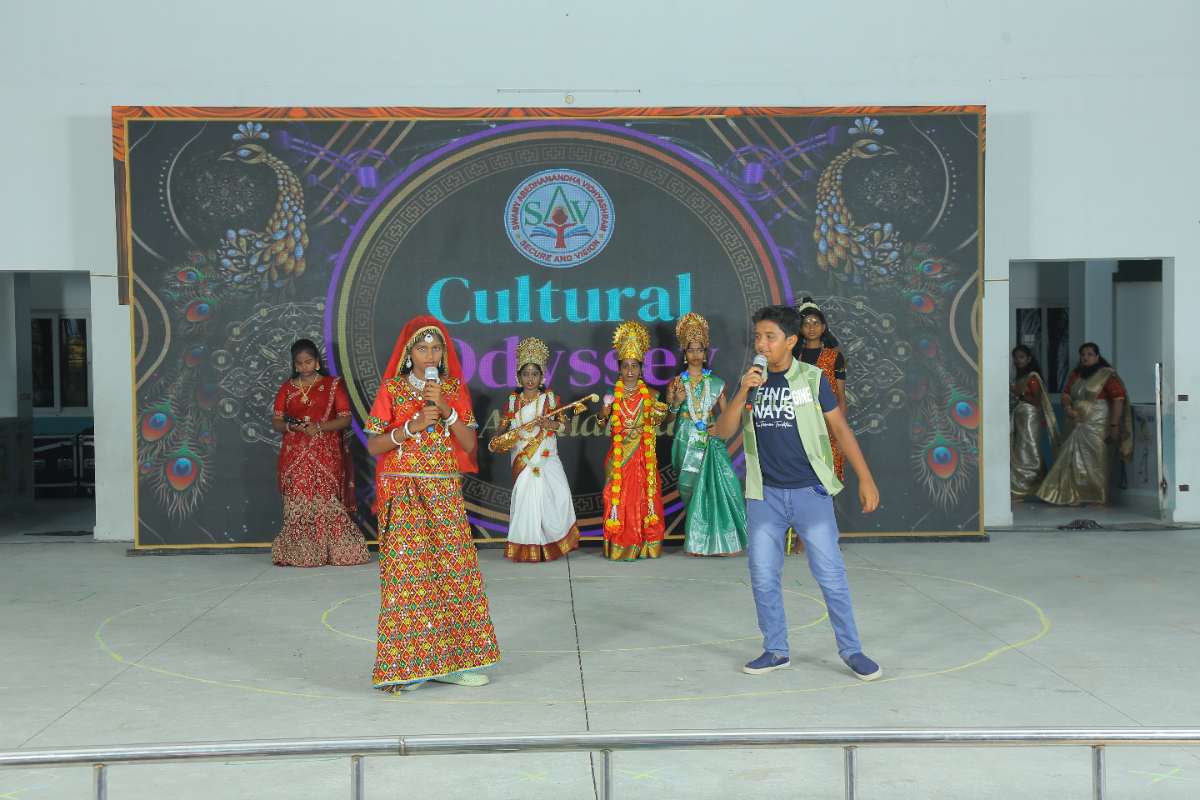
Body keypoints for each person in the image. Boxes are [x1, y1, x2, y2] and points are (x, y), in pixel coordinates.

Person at [712, 305, 883, 681]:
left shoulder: (813, 378)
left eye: (770, 337)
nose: (761, 344)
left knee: (830, 575)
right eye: (758, 336)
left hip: (810, 493)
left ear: (790, 341)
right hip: (765, 496)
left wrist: (865, 478)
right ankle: (776, 650)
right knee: (762, 575)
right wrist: (743, 390)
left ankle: (852, 650)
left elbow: (840, 430)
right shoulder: (751, 383)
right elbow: (722, 432)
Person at [364, 316, 500, 691]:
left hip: (443, 496)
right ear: (409, 354)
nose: (429, 355)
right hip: (404, 493)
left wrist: (446, 409)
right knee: (408, 579)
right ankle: (408, 667)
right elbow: (374, 445)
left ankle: (454, 663)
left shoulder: (452, 388)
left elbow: (469, 445)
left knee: (453, 576)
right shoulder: (392, 389)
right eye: (422, 348)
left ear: (443, 353)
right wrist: (411, 428)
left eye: (435, 348)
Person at [269, 339, 370, 567]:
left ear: (317, 361)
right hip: (295, 454)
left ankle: (339, 551)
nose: (304, 367)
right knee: (298, 501)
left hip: (326, 452)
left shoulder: (332, 385)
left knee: (326, 500)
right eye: (299, 363)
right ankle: (301, 553)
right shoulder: (287, 388)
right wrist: (292, 427)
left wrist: (319, 427)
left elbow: (345, 418)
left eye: (308, 361)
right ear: (294, 365)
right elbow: (276, 421)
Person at [665, 312, 747, 556]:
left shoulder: (717, 383)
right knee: (690, 489)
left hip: (710, 440)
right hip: (684, 438)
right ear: (684, 352)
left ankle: (723, 542)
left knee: (716, 486)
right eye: (691, 350)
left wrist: (719, 428)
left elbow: (728, 416)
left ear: (706, 352)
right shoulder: (676, 383)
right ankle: (698, 542)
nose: (695, 354)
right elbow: (668, 420)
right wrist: (676, 402)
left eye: (700, 349)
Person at [497, 337, 580, 562]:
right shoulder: (513, 402)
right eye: (526, 374)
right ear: (519, 376)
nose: (530, 378)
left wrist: (551, 424)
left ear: (542, 376)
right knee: (527, 502)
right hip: (523, 460)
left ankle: (552, 544)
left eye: (535, 374)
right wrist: (506, 436)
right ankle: (527, 548)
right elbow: (501, 432)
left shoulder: (550, 400)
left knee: (559, 498)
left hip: (547, 458)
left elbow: (567, 428)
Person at [599, 321, 669, 560]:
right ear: (619, 369)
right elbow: (601, 425)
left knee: (643, 498)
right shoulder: (612, 396)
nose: (630, 371)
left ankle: (645, 544)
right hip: (619, 458)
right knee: (617, 497)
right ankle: (620, 543)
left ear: (641, 368)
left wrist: (666, 409)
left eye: (634, 366)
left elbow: (659, 420)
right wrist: (603, 413)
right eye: (625, 366)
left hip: (642, 457)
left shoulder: (652, 395)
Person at [1036, 343, 1132, 506]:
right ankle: (1071, 493)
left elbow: (1118, 399)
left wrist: (1114, 426)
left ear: (1097, 356)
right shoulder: (1076, 374)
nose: (1085, 357)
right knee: (1071, 458)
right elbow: (1066, 394)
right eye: (1083, 355)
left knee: (1096, 459)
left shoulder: (1106, 375)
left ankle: (1096, 496)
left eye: (1089, 354)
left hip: (1097, 423)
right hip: (1075, 422)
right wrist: (1068, 408)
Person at [796, 298, 847, 480]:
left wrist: (840, 432)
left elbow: (840, 397)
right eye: (806, 323)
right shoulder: (793, 358)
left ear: (823, 327)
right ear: (800, 329)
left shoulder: (835, 357)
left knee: (827, 476)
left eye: (816, 323)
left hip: (828, 424)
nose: (811, 327)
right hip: (800, 424)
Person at [1009, 345, 1059, 498]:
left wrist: (1019, 395)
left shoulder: (1032, 378)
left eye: (1021, 357)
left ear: (1029, 359)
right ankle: (1025, 486)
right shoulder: (1021, 377)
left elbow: (1036, 400)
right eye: (1015, 358)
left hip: (1030, 417)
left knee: (1029, 449)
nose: (1018, 360)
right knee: (1020, 449)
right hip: (1021, 417)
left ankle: (1028, 486)